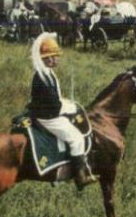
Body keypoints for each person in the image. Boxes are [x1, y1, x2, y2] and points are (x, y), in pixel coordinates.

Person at [28, 33, 97, 190]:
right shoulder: (41, 76)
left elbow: (55, 98)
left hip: (49, 111)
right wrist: (67, 108)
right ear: (45, 59)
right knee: (76, 138)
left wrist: (67, 104)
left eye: (56, 56)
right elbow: (52, 104)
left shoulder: (48, 73)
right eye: (53, 56)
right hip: (48, 117)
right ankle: (80, 178)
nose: (56, 59)